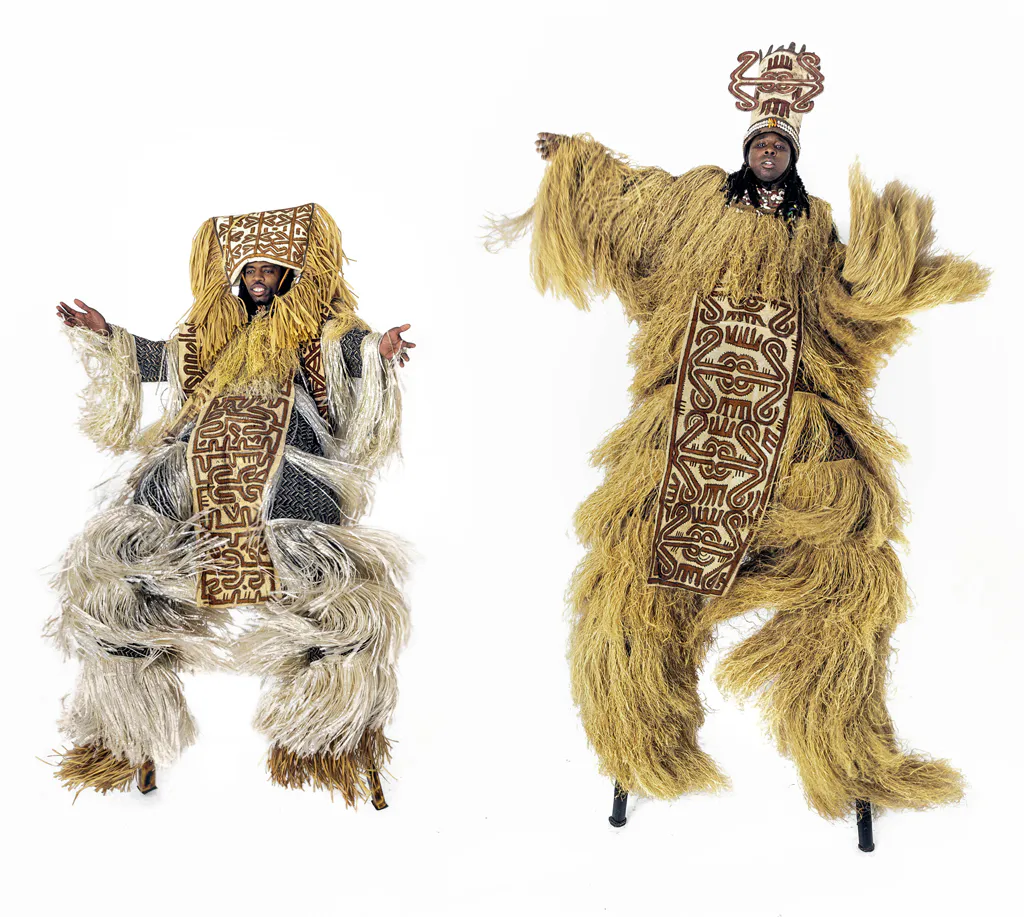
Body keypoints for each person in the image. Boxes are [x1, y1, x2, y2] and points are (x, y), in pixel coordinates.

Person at [490, 44, 990, 820]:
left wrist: (888, 269)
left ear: (793, 155)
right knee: (634, 576)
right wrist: (576, 161)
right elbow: (629, 204)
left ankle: (846, 750)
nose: (769, 151)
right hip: (689, 417)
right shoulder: (695, 201)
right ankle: (640, 738)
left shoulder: (817, 227)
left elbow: (848, 309)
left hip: (792, 425)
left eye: (781, 144)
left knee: (848, 577)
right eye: (760, 141)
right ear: (746, 147)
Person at [51, 203, 413, 807]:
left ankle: (328, 739)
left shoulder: (313, 330)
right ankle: (122, 732)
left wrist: (379, 348)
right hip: (196, 460)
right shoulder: (210, 333)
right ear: (237, 274)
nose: (260, 279)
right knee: (116, 573)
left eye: (271, 270)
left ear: (289, 275)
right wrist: (107, 334)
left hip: (287, 462)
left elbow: (349, 348)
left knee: (339, 596)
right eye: (251, 270)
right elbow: (161, 360)